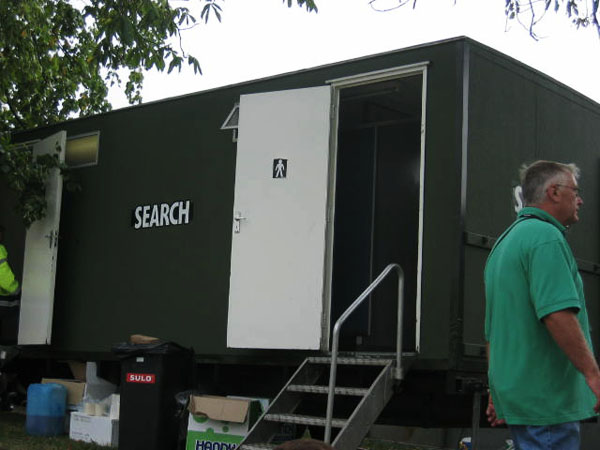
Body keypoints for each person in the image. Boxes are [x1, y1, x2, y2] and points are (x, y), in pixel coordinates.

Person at [484, 160, 600, 449]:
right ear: (554, 192)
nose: (580, 200)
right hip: (548, 401)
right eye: (575, 191)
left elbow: (493, 332)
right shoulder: (546, 238)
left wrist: (495, 390)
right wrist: (593, 374)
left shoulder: (504, 243)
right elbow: (557, 314)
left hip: (523, 400)